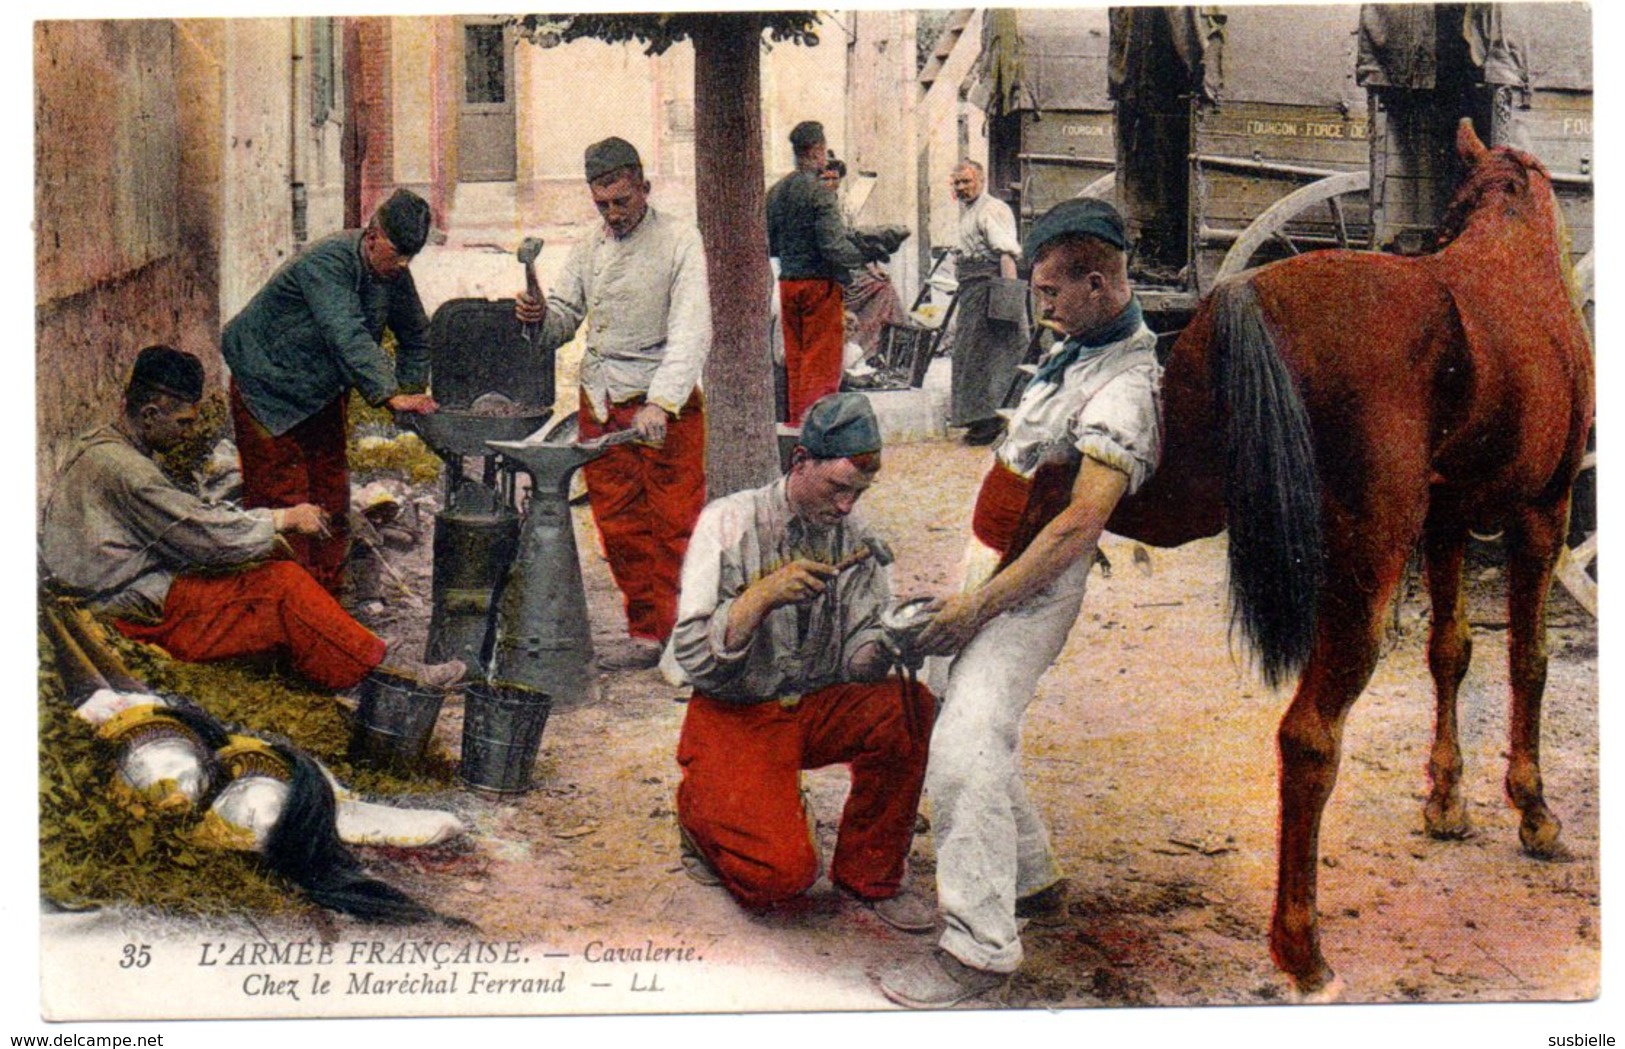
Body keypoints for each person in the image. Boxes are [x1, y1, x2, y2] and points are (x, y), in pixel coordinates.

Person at [877, 199, 1163, 1007]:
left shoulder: (1126, 386)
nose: (1038, 303)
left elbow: (1076, 526)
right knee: (951, 709)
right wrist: (964, 587)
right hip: (990, 571)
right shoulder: (1076, 348)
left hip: (1032, 590)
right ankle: (1032, 877)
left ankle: (979, 947)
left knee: (965, 743)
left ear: (1100, 285)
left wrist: (976, 610)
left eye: (1048, 291)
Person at [664, 392, 937, 933]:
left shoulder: (856, 537)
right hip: (737, 713)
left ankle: (869, 873)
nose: (845, 507)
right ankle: (700, 815)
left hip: (814, 707)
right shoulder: (730, 521)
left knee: (908, 706)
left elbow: (859, 667)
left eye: (858, 493)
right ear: (800, 462)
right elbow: (693, 657)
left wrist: (894, 639)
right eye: (837, 488)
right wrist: (759, 597)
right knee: (779, 880)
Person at [40, 346, 465, 692]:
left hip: (107, 592)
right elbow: (202, 535)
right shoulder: (127, 471)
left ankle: (351, 651)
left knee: (264, 576)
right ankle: (387, 676)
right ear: (149, 414)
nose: (188, 433)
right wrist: (282, 520)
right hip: (124, 611)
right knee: (282, 584)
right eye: (183, 423)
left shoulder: (99, 446)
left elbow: (185, 522)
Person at [514, 137, 711, 669]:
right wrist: (538, 315)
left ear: (643, 188)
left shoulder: (679, 240)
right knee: (619, 524)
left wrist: (662, 403)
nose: (613, 214)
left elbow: (691, 330)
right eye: (602, 204)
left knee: (677, 523)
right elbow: (563, 317)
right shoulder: (590, 246)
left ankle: (686, 639)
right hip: (601, 401)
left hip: (662, 407)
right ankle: (648, 631)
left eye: (621, 201)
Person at [222, 188, 441, 598]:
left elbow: (415, 332)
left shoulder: (393, 271)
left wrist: (409, 395)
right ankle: (285, 605)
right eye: (397, 253)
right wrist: (388, 392)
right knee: (284, 497)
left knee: (331, 490)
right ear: (373, 235)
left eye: (411, 257)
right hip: (267, 382)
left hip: (320, 387)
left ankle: (325, 596)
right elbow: (347, 333)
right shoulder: (328, 262)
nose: (403, 265)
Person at [767, 121, 866, 426]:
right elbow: (835, 248)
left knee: (796, 365)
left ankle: (798, 428)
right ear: (818, 151)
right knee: (821, 367)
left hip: (788, 285)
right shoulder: (821, 194)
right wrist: (864, 253)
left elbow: (770, 243)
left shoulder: (776, 192)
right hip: (819, 287)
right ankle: (819, 436)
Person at [948, 160, 1031, 446]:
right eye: (957, 183)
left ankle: (996, 418)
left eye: (966, 181)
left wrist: (1009, 299)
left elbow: (1006, 254)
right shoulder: (970, 210)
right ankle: (979, 418)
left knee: (997, 353)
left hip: (990, 288)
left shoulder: (992, 208)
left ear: (981, 180)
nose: (961, 187)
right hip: (972, 289)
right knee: (971, 354)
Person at [822, 158, 908, 362]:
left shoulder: (844, 208)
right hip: (827, 271)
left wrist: (872, 267)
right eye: (825, 178)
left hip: (848, 268)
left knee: (884, 286)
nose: (830, 183)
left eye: (835, 179)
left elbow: (857, 241)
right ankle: (861, 352)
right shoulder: (816, 207)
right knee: (873, 289)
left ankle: (888, 350)